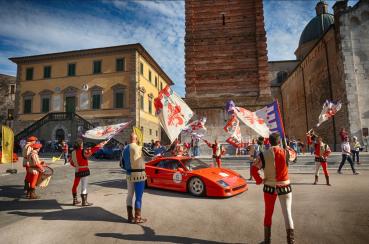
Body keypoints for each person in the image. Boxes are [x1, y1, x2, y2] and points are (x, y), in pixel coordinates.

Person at [251, 133, 295, 244]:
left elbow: (253, 169)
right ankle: (291, 241)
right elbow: (295, 157)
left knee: (268, 213)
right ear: (279, 141)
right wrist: (287, 146)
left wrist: (260, 181)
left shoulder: (263, 154)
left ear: (269, 142)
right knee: (288, 214)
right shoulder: (286, 152)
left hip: (269, 187)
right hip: (285, 186)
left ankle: (267, 241)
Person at [70, 138, 106, 206]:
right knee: (84, 186)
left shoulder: (73, 152)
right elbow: (93, 150)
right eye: (82, 143)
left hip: (77, 170)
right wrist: (101, 144)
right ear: (81, 144)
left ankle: (74, 201)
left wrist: (77, 165)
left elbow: (71, 162)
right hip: (84, 170)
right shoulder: (83, 151)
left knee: (75, 185)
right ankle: (84, 202)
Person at [123, 132, 147, 224]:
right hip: (139, 175)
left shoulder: (124, 149)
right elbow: (152, 153)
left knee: (129, 195)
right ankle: (138, 217)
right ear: (136, 139)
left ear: (130, 139)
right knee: (138, 197)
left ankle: (130, 217)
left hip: (129, 174)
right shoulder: (140, 147)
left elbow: (121, 163)